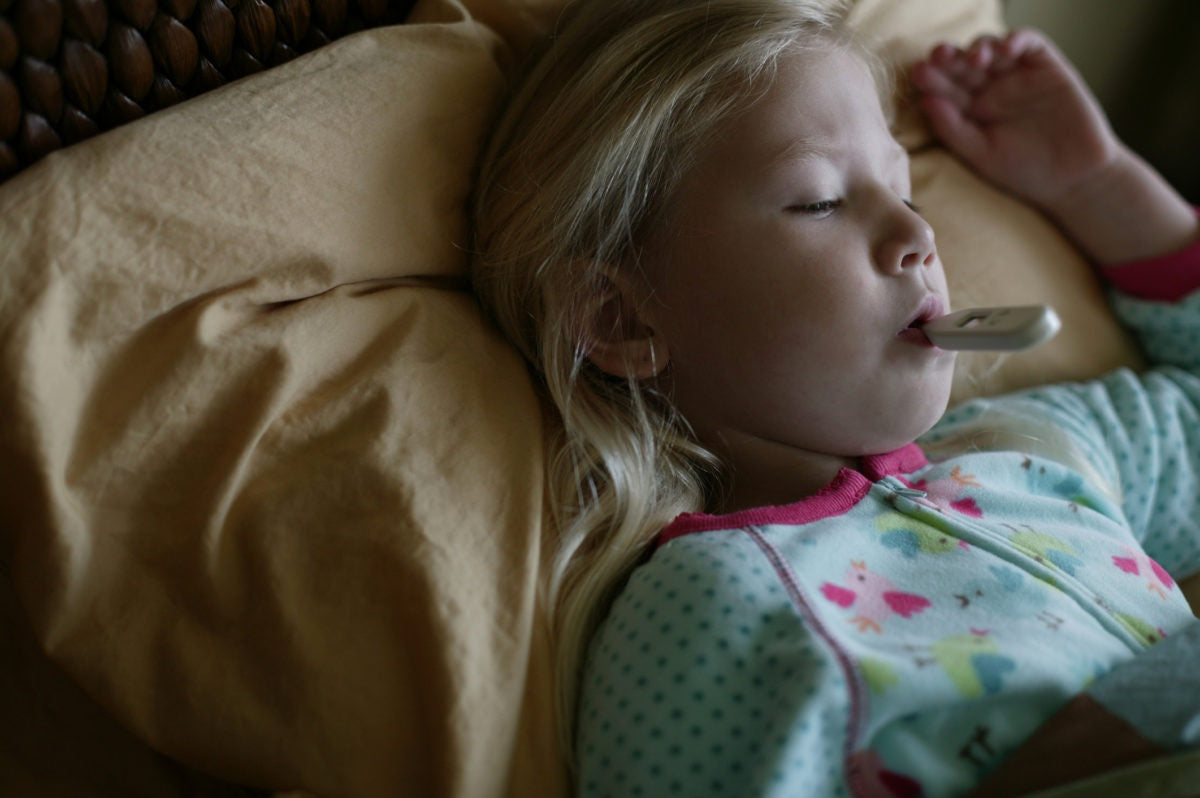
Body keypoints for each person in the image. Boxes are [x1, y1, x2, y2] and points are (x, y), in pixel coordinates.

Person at [469, 0, 1200, 794]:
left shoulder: (1035, 450)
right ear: (619, 317)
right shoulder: (711, 609)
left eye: (907, 190)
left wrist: (1101, 186)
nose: (917, 237)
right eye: (819, 200)